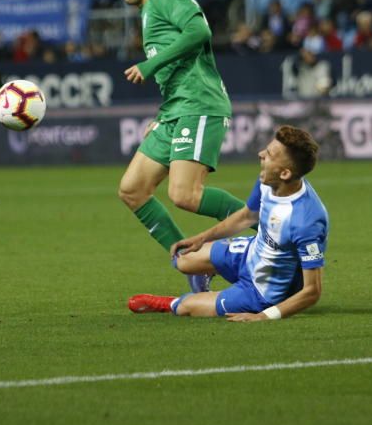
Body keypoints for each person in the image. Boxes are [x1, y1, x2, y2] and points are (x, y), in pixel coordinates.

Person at [106, 0, 245, 293]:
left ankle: (263, 226)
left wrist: (149, 65)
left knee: (185, 194)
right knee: (132, 189)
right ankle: (192, 265)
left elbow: (200, 32)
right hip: (174, 110)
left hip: (199, 105)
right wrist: (162, 111)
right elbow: (178, 68)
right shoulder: (148, 10)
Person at [129, 126, 327, 321]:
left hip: (261, 292)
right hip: (250, 253)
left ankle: (174, 304)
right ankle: (205, 278)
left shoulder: (306, 220)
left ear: (285, 173)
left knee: (186, 307)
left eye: (269, 155)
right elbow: (247, 216)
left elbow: (312, 291)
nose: (260, 155)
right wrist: (201, 239)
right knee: (183, 259)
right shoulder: (268, 181)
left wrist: (264, 316)